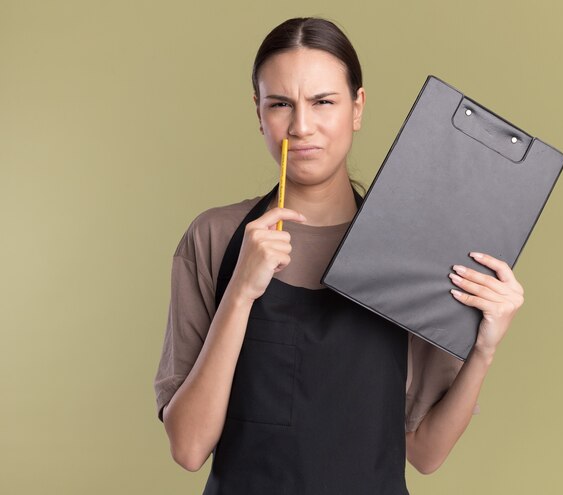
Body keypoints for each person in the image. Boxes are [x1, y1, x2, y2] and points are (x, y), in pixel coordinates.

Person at [153, 17, 525, 494]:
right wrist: (241, 293)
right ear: (259, 112)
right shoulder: (215, 237)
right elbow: (187, 448)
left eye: (323, 102)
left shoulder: (414, 252)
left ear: (357, 107)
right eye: (280, 104)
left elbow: (425, 453)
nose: (301, 126)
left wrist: (485, 348)